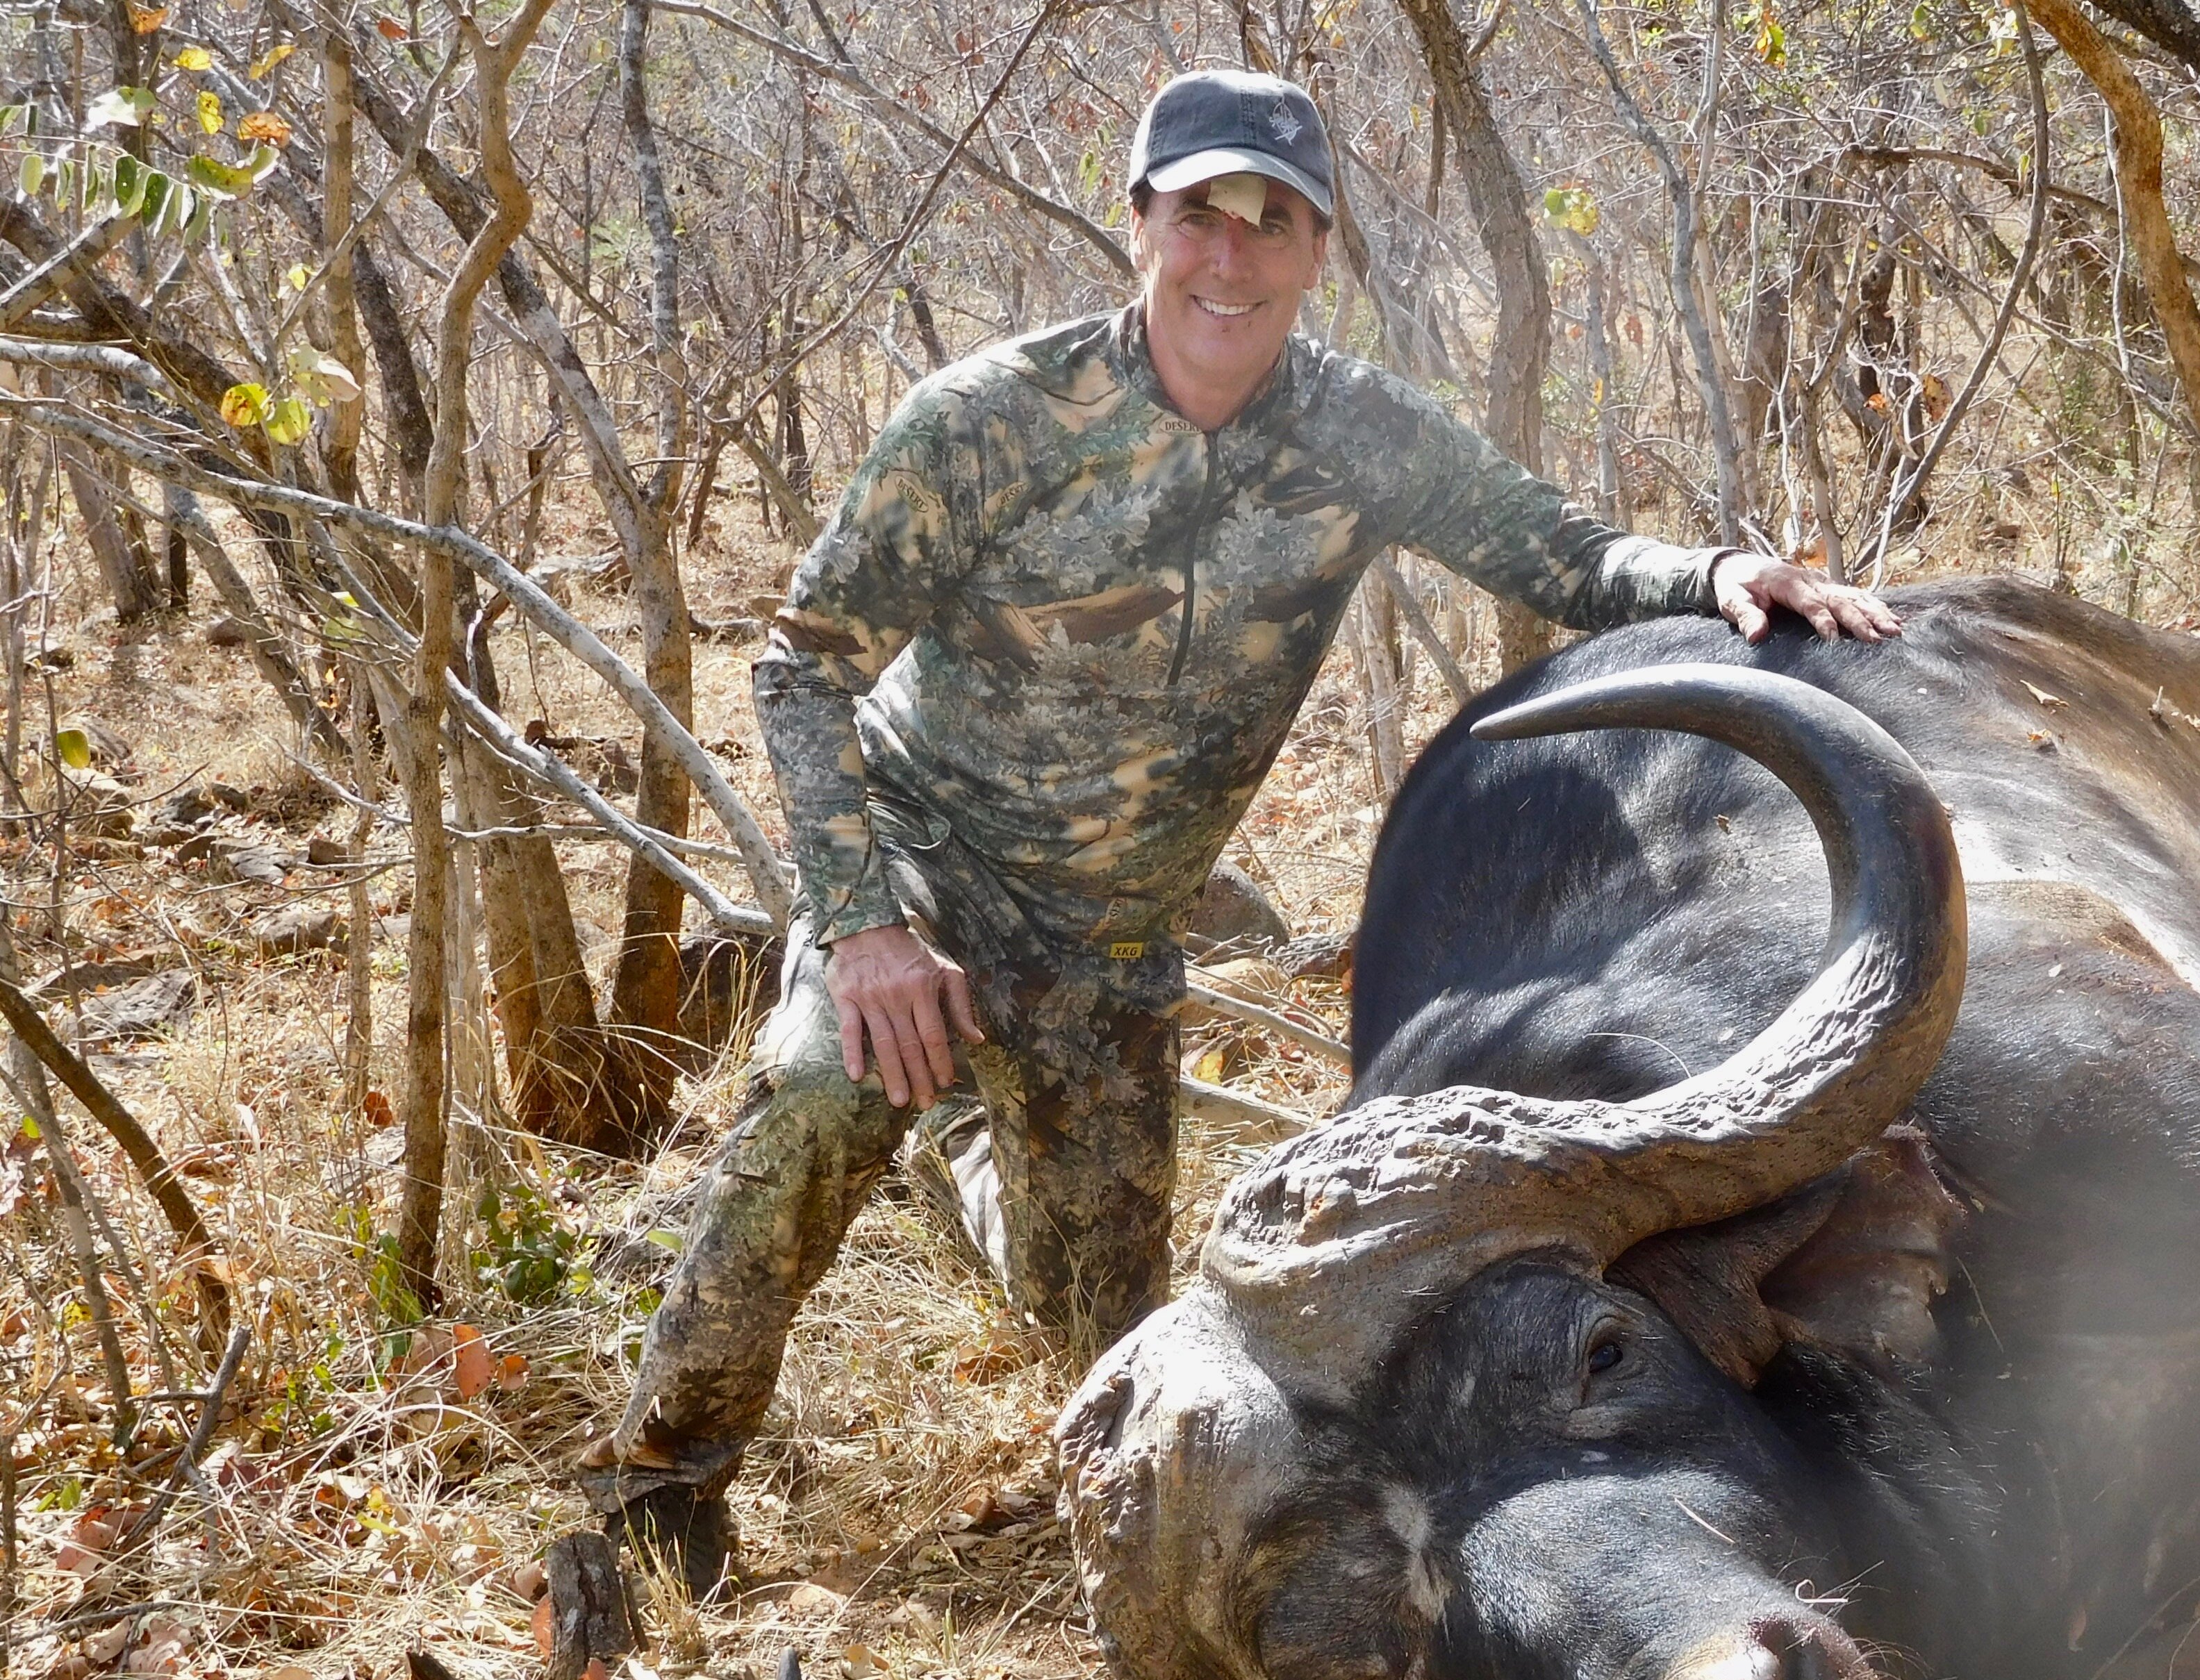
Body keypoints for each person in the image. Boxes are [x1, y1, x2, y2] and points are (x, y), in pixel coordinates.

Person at [577, 68, 1901, 1600]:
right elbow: (800, 666)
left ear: (1316, 251)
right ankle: (660, 1487)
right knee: (815, 1105)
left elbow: (1561, 550)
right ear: (1139, 221)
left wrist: (1727, 573)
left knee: (1106, 1338)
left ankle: (965, 1150)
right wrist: (866, 929)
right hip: (931, 872)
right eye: (1202, 212)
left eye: (1274, 222)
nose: (1233, 256)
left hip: (1117, 934)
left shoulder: (1358, 432)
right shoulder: (993, 420)